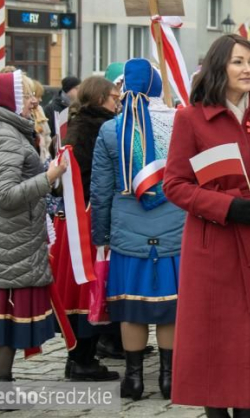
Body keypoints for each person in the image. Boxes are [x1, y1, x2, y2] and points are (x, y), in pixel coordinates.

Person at [164, 34, 250, 417]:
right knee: (214, 341)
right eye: (238, 61)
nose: (247, 69)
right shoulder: (190, 118)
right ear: (218, 66)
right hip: (213, 246)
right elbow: (174, 185)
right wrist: (227, 207)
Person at [90, 59, 186, 400]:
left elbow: (100, 191)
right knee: (169, 307)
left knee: (131, 307)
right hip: (176, 227)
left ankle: (133, 378)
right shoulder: (181, 123)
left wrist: (99, 236)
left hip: (127, 231)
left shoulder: (111, 130)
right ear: (158, 87)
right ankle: (168, 378)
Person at [0, 71, 68, 381]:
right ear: (11, 99)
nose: (33, 100)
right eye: (25, 94)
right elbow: (6, 195)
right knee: (3, 322)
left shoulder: (8, 130)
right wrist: (48, 177)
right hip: (6, 240)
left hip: (7, 239)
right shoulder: (5, 135)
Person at [49, 76, 121, 382]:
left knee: (83, 285)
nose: (118, 101)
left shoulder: (79, 124)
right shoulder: (97, 127)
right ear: (100, 97)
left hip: (79, 216)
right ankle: (81, 359)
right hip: (86, 219)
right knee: (87, 286)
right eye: (114, 96)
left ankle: (80, 355)